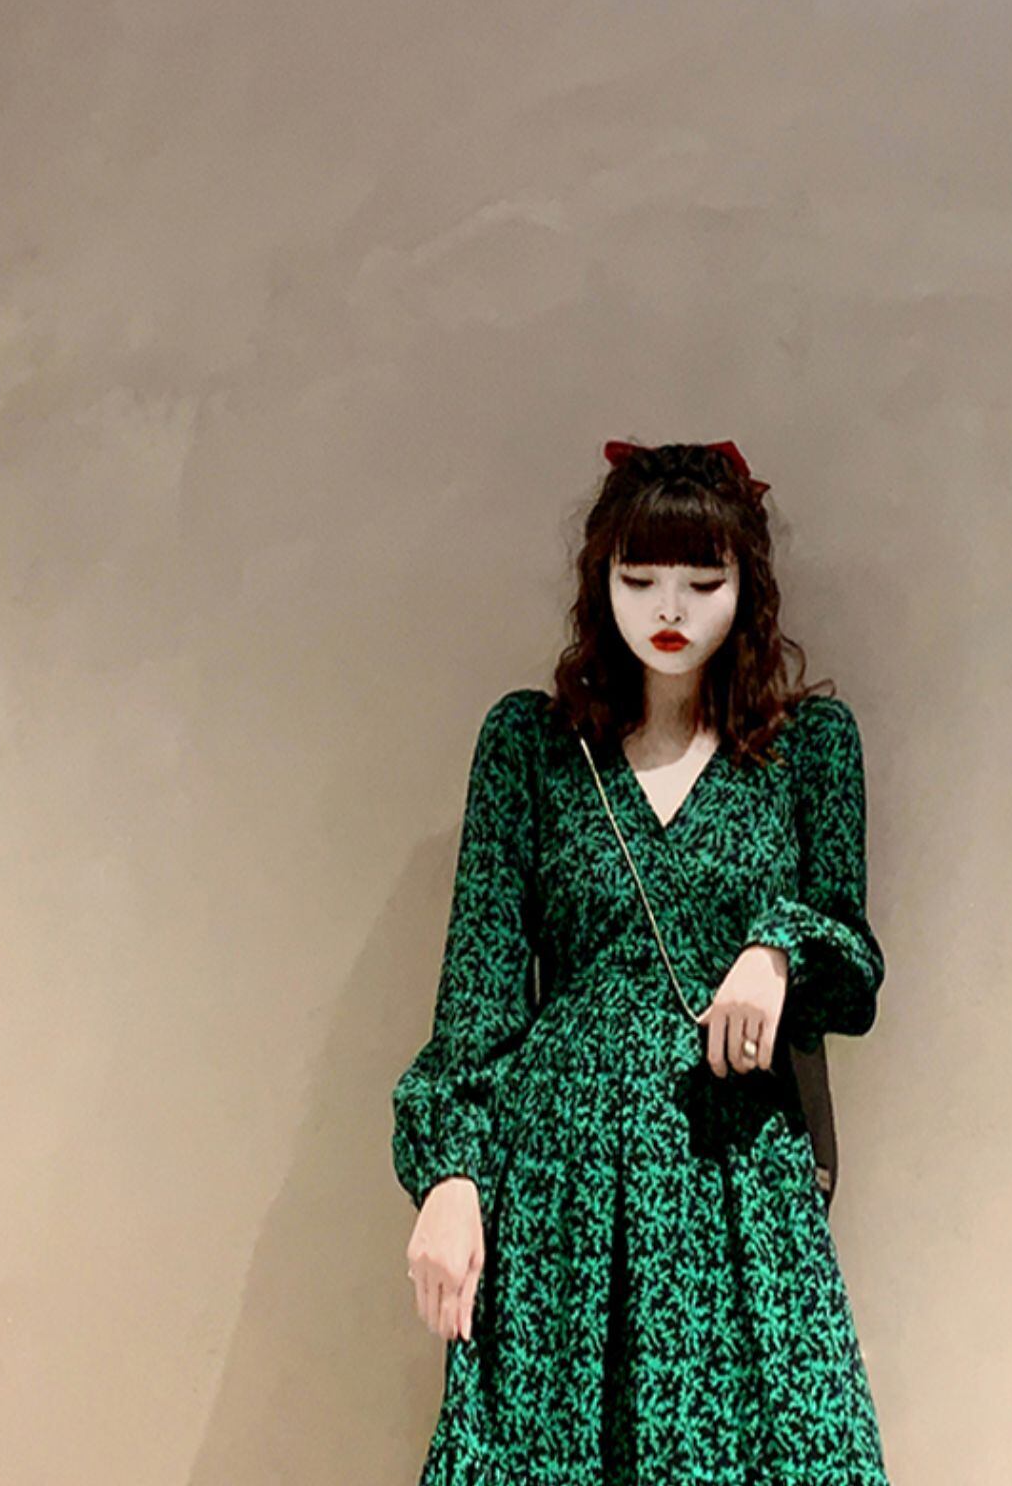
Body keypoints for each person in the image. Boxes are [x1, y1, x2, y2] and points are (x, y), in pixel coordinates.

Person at [391, 437, 890, 1484]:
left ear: (746, 590)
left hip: (734, 1172)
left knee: (799, 1444)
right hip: (559, 1182)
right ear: (599, 584)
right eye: (640, 578)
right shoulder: (532, 748)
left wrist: (777, 950)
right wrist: (451, 1177)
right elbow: (478, 993)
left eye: (703, 582)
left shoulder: (807, 749)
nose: (671, 608)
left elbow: (852, 957)